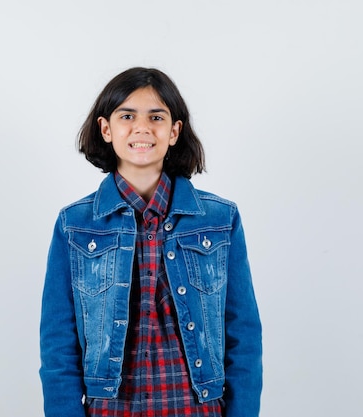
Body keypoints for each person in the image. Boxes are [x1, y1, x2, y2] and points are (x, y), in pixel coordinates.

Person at [39, 67, 262, 417]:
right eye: (127, 115)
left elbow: (243, 336)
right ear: (106, 129)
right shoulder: (75, 225)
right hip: (111, 411)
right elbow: (58, 346)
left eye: (156, 117)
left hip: (196, 410)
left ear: (174, 131)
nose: (142, 128)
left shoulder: (220, 220)